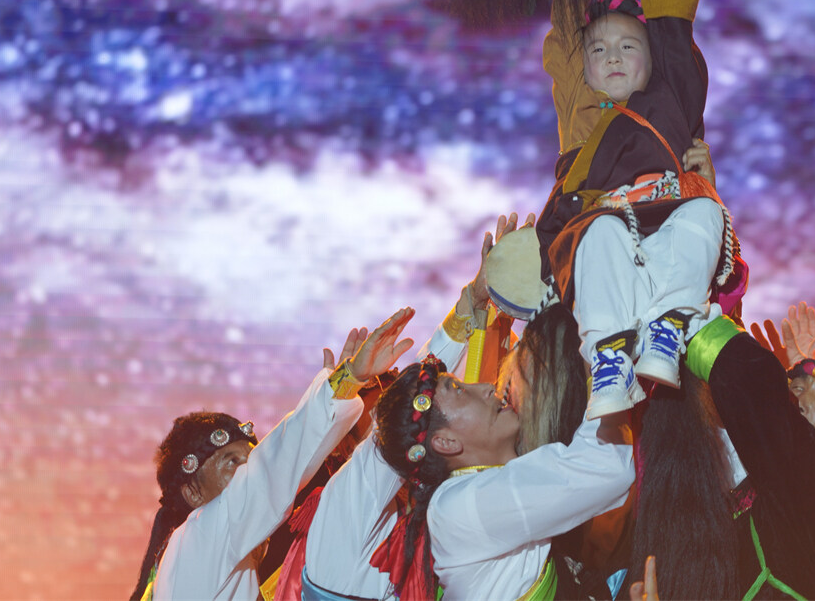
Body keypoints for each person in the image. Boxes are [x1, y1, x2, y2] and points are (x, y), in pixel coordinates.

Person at [296, 215, 589, 601]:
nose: (379, 427)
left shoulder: (444, 483)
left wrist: (478, 304)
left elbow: (426, 405)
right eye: (371, 419)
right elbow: (403, 425)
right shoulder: (341, 533)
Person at [535, 0, 741, 418]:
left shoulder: (671, 104)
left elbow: (674, 36)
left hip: (664, 236)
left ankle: (669, 327)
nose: (612, 57)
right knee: (600, 231)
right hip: (601, 240)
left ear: (654, 62)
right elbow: (566, 29)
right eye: (598, 50)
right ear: (584, 67)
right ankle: (609, 358)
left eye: (629, 47)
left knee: (705, 211)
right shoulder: (580, 112)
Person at [128, 311, 416, 601]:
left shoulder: (243, 565)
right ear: (193, 492)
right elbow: (270, 473)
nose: (247, 472)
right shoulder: (195, 542)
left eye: (250, 459)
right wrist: (347, 380)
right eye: (232, 463)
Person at [370, 329, 634, 601]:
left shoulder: (470, 494)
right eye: (459, 389)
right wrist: (606, 372)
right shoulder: (461, 506)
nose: (487, 387)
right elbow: (606, 469)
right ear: (446, 442)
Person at [665, 307, 815, 599]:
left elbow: (767, 413)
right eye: (797, 388)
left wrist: (694, 318)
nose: (802, 401)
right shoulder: (756, 474)